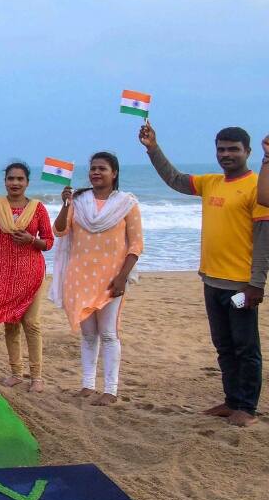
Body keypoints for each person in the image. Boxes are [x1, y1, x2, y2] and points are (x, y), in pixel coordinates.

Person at [141, 122, 268, 426]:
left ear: (247, 152)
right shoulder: (211, 182)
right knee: (223, 345)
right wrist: (153, 148)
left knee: (245, 346)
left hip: (240, 285)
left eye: (233, 149)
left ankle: (246, 408)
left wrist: (256, 284)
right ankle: (231, 400)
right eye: (221, 149)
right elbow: (174, 179)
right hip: (211, 281)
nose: (226, 154)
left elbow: (264, 240)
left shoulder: (257, 187)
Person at [50, 152, 143, 406]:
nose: (96, 173)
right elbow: (59, 231)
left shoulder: (127, 203)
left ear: (114, 173)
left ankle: (110, 389)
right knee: (88, 334)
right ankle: (87, 385)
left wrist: (122, 278)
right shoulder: (79, 201)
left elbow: (136, 245)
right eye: (92, 169)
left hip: (111, 277)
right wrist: (66, 204)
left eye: (102, 168)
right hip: (79, 277)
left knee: (109, 334)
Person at [0, 162, 53, 392]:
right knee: (10, 324)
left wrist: (31, 240)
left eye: (20, 179)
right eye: (11, 179)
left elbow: (49, 241)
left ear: (27, 182)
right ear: (5, 181)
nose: (15, 183)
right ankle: (17, 372)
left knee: (32, 324)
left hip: (32, 272)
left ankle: (36, 376)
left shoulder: (37, 208)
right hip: (4, 273)